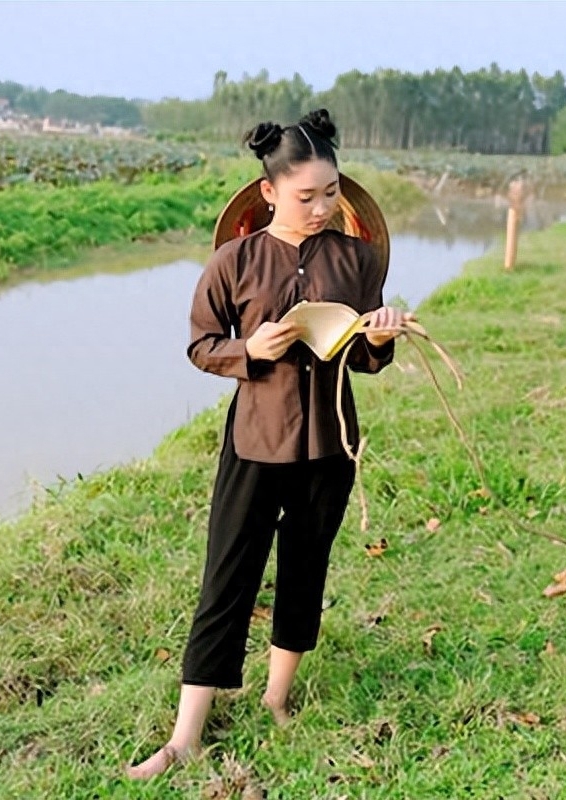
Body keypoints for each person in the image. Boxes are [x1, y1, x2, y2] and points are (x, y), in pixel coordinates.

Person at [128, 109, 412, 779]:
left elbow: (369, 361)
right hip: (255, 441)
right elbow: (201, 345)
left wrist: (379, 337)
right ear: (268, 194)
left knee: (306, 570)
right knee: (226, 578)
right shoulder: (236, 261)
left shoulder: (357, 257)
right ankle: (184, 737)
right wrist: (247, 349)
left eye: (332, 192)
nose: (320, 207)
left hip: (329, 448)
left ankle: (277, 698)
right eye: (305, 196)